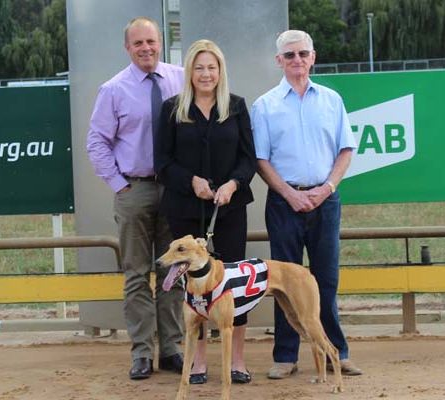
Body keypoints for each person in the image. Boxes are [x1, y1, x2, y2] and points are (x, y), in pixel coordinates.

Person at [251, 30, 362, 379]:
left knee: (326, 279)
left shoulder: (332, 100)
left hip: (325, 201)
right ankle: (285, 357)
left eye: (302, 54)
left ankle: (336, 353)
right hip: (285, 203)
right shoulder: (264, 105)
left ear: (313, 57)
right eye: (289, 55)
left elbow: (346, 149)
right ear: (278, 61)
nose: (297, 60)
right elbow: (261, 159)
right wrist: (290, 193)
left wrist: (327, 188)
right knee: (283, 282)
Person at [86, 17, 185, 380]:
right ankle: (142, 352)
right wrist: (119, 184)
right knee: (136, 275)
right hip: (135, 188)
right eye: (138, 43)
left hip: (175, 190)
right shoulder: (113, 89)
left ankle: (172, 349)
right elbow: (97, 141)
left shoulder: (181, 77)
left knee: (174, 272)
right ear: (127, 48)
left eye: (151, 41)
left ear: (161, 42)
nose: (146, 48)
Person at [154, 39, 256, 385]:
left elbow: (248, 158)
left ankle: (236, 361)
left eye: (212, 67)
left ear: (220, 70)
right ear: (189, 72)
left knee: (232, 289)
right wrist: (191, 181)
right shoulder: (172, 109)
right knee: (194, 289)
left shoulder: (238, 106)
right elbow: (162, 163)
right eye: (199, 67)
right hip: (184, 210)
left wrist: (233, 185)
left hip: (229, 211)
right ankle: (198, 362)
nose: (206, 74)